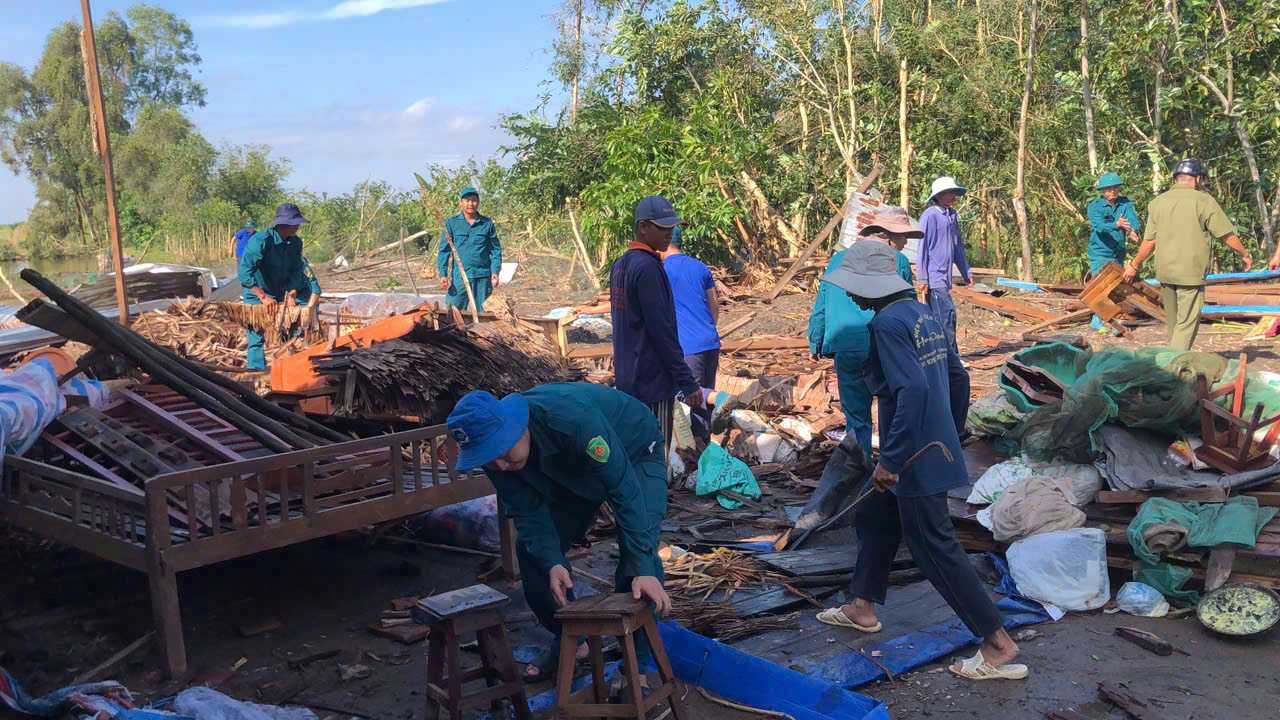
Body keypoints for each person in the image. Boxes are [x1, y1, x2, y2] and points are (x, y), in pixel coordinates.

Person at [814, 240, 1027, 682]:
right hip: (931, 444)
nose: (850, 296)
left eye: (854, 288)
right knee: (875, 517)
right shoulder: (923, 315)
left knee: (935, 548)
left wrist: (892, 458)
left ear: (871, 287)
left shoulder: (887, 325)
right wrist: (949, 429)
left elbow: (912, 390)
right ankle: (862, 606)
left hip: (912, 453)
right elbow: (957, 376)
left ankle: (997, 644)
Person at [446, 382, 671, 684]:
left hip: (633, 451)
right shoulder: (499, 458)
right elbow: (528, 514)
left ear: (517, 426)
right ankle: (570, 640)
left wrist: (643, 566)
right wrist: (553, 560)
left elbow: (623, 487)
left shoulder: (570, 420)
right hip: (573, 472)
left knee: (638, 555)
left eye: (502, 452)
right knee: (533, 554)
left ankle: (637, 668)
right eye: (489, 459)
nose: (500, 465)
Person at [797, 209, 920, 533]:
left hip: (845, 344)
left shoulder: (838, 260)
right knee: (892, 410)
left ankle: (859, 481)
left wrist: (816, 340)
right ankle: (888, 482)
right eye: (903, 239)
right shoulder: (897, 261)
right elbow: (909, 304)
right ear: (889, 237)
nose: (903, 244)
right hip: (882, 344)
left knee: (858, 421)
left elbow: (821, 302)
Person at [1123, 159, 1252, 350]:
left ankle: (1178, 362)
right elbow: (1225, 234)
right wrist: (1244, 253)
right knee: (1186, 325)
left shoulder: (1158, 202)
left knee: (1175, 325)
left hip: (1166, 272)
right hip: (1190, 273)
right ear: (1197, 178)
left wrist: (1134, 264)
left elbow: (1149, 242)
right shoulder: (1203, 201)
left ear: (1176, 178)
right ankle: (1171, 365)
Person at [610, 195, 704, 455]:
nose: (668, 234)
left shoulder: (621, 265)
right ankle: (655, 496)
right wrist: (687, 381)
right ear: (643, 227)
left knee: (636, 453)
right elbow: (662, 333)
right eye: (662, 228)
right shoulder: (648, 268)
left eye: (671, 227)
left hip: (628, 380)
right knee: (655, 456)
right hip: (652, 383)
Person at [237, 203, 321, 370]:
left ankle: (291, 365)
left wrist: (291, 293)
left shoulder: (296, 243)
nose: (298, 226)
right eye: (295, 223)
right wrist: (262, 296)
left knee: (293, 325)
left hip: (280, 289)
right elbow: (245, 273)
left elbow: (296, 270)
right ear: (285, 224)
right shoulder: (260, 241)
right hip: (256, 290)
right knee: (256, 332)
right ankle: (256, 372)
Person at [661, 227, 719, 443]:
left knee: (687, 395)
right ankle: (704, 450)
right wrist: (707, 330)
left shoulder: (661, 270)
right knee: (702, 405)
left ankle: (695, 453)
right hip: (710, 342)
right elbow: (714, 306)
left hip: (686, 346)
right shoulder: (700, 267)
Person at [918, 176, 972, 354]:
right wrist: (923, 277)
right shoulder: (930, 216)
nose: (953, 197)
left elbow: (958, 247)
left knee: (945, 318)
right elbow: (922, 248)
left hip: (945, 277)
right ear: (939, 195)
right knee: (945, 317)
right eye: (950, 193)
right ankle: (951, 359)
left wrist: (966, 272)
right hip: (934, 277)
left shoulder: (952, 216)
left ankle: (946, 357)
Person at [1085, 172, 1141, 331]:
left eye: (1115, 188)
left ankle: (1108, 316)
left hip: (1118, 252)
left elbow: (1134, 221)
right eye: (1108, 189)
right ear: (1102, 191)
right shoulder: (1094, 206)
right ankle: (1098, 318)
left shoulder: (1125, 204)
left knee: (1115, 285)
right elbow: (1099, 227)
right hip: (1099, 252)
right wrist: (1117, 225)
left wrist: (1131, 230)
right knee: (1101, 284)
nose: (1112, 192)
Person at [437, 187, 502, 312]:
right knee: (453, 310)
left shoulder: (487, 223)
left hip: (482, 276)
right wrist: (443, 274)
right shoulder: (452, 223)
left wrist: (495, 271)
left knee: (483, 314)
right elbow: (444, 251)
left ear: (478, 203)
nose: (470, 204)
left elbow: (495, 250)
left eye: (474, 201)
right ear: (461, 202)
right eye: (467, 200)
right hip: (460, 276)